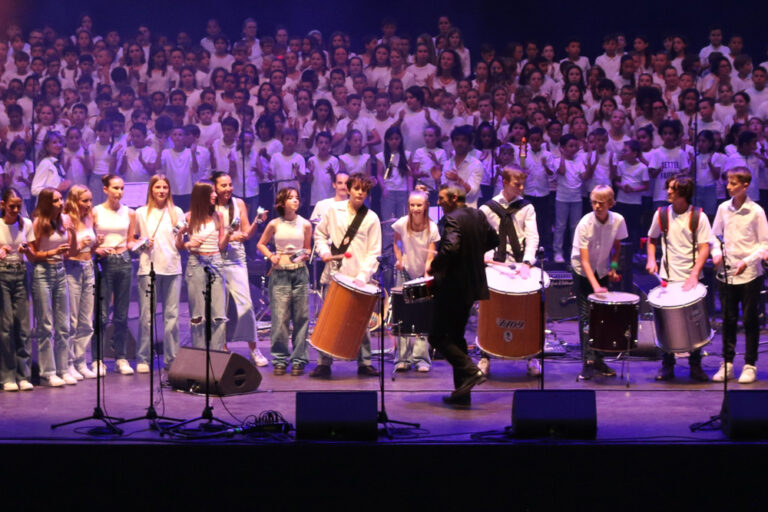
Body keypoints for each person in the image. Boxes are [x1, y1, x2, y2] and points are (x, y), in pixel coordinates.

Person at [428, 184, 498, 406]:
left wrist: (434, 265)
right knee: (457, 337)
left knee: (437, 336)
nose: (438, 202)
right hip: (472, 286)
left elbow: (450, 248)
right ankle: (462, 394)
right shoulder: (478, 215)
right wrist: (474, 253)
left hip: (453, 286)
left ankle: (471, 371)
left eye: (441, 198)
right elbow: (494, 240)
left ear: (454, 197)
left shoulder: (452, 219)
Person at [310, 173, 381, 378]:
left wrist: (363, 275)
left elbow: (374, 251)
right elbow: (320, 234)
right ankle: (323, 362)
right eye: (356, 188)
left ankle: (364, 362)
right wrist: (324, 251)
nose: (360, 192)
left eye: (364, 189)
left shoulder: (371, 218)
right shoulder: (334, 211)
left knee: (361, 320)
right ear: (348, 189)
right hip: (334, 273)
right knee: (328, 318)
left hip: (359, 275)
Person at [646, 177, 712, 381]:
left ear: (683, 193)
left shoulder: (698, 217)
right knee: (666, 324)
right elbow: (651, 239)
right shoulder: (662, 214)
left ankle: (695, 364)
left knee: (694, 322)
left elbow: (704, 247)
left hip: (691, 279)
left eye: (672, 189)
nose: (668, 192)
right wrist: (651, 260)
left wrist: (694, 274)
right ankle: (667, 364)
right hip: (668, 276)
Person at [478, 167, 541, 377]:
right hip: (497, 265)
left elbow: (532, 238)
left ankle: (532, 355)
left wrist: (527, 263)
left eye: (523, 184)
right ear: (504, 181)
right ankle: (485, 354)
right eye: (517, 184)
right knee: (488, 308)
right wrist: (484, 254)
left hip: (522, 264)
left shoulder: (527, 208)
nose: (521, 188)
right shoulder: (487, 209)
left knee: (531, 307)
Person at [711, 168, 768, 384]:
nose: (728, 187)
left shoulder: (756, 211)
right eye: (728, 183)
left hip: (750, 274)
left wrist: (748, 261)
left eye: (733, 184)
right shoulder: (723, 209)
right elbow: (715, 236)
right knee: (728, 320)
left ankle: (750, 364)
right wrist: (716, 253)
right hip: (726, 273)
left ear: (745, 186)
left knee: (750, 320)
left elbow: (764, 244)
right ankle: (727, 363)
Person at [211, 171, 269, 366]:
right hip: (215, 256)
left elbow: (247, 233)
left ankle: (254, 349)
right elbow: (210, 234)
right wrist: (230, 236)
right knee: (221, 305)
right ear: (215, 188)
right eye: (223, 185)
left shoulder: (239, 204)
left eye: (229, 184)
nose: (228, 188)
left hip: (236, 257)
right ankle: (223, 348)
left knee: (245, 304)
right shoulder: (209, 206)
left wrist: (256, 223)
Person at [571, 185, 627, 380]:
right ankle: (587, 362)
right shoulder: (585, 224)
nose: (596, 206)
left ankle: (599, 359)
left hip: (601, 270)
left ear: (611, 203)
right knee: (586, 316)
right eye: (593, 202)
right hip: (583, 273)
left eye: (601, 203)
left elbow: (617, 247)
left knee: (602, 317)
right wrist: (595, 286)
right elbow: (585, 261)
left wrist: (612, 267)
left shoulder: (618, 220)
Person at [257, 187, 312, 375]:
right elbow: (261, 244)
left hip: (299, 272)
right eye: (291, 198)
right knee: (280, 319)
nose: (295, 201)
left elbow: (307, 249)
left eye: (297, 197)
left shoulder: (305, 224)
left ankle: (299, 359)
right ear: (282, 202)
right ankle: (280, 358)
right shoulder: (274, 223)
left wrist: (304, 255)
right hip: (280, 273)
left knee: (301, 318)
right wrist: (271, 256)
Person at [134, 175, 185, 376]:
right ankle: (143, 358)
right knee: (146, 317)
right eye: (158, 187)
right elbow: (132, 240)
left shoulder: (177, 212)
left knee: (171, 316)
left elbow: (180, 243)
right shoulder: (140, 213)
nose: (162, 191)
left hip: (172, 267)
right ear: (151, 189)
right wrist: (143, 244)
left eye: (165, 187)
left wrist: (183, 234)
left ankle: (171, 358)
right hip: (148, 268)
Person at [30, 188, 76, 386]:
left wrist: (72, 230)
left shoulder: (62, 221)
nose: (61, 203)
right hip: (43, 272)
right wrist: (53, 252)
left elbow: (71, 252)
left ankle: (63, 368)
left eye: (60, 199)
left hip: (60, 270)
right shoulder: (39, 223)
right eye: (56, 200)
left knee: (63, 325)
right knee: (46, 325)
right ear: (48, 203)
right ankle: (48, 371)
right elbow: (32, 256)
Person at [93, 175, 137, 375]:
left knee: (121, 314)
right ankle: (97, 358)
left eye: (121, 188)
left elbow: (129, 241)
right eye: (115, 188)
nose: (119, 192)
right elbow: (91, 240)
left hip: (124, 260)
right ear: (105, 189)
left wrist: (140, 243)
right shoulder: (96, 212)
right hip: (105, 261)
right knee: (101, 313)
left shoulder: (130, 213)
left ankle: (121, 357)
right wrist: (97, 246)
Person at [178, 181, 230, 351]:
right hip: (196, 262)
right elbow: (178, 245)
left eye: (215, 192)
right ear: (202, 196)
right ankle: (199, 357)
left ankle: (216, 355)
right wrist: (187, 243)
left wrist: (229, 233)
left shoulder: (218, 216)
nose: (215, 195)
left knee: (218, 315)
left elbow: (221, 246)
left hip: (215, 261)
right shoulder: (188, 217)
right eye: (212, 193)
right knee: (198, 315)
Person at [392, 189, 439, 372]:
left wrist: (427, 270)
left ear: (426, 206)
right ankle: (402, 358)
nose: (415, 208)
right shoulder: (402, 224)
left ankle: (421, 359)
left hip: (422, 274)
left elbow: (431, 252)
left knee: (422, 316)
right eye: (412, 205)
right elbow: (396, 243)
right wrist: (399, 259)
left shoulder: (432, 227)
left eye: (419, 205)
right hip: (405, 272)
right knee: (402, 315)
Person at [0, 188, 35, 391]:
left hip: (20, 272)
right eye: (11, 206)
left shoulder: (26, 224)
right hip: (3, 274)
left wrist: (26, 250)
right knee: (5, 327)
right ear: (3, 205)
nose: (15, 209)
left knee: (22, 326)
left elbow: (32, 256)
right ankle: (7, 375)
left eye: (18, 206)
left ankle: (24, 374)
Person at [62, 185, 98, 380]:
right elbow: (66, 253)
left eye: (90, 200)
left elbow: (90, 249)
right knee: (72, 320)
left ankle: (81, 361)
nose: (89, 204)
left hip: (88, 267)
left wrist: (95, 244)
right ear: (74, 201)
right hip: (72, 269)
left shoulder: (89, 217)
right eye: (84, 201)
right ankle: (68, 364)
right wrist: (80, 244)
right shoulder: (67, 219)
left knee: (86, 321)